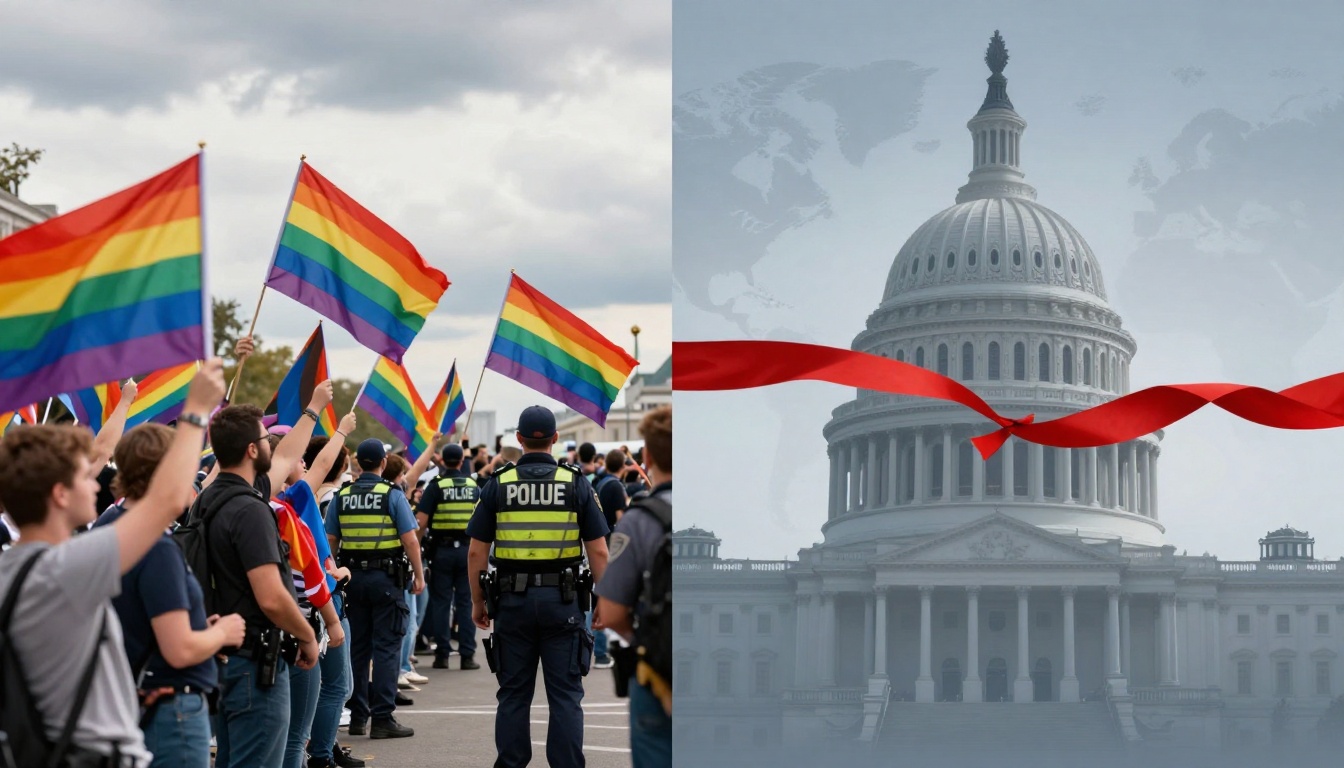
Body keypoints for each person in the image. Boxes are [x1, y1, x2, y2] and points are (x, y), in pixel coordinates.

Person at [0, 360, 224, 768]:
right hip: (94, 754)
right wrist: (195, 412)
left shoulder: (11, 570)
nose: (97, 481)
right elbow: (168, 499)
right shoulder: (64, 568)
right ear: (59, 495)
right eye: (83, 476)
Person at [94, 423, 248, 768]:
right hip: (169, 709)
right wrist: (220, 634)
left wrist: (196, 624)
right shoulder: (155, 545)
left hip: (129, 699)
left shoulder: (109, 523)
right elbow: (179, 650)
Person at [468, 405, 610, 768]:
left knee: (513, 694)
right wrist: (603, 600)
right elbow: (598, 549)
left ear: (518, 439)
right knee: (565, 695)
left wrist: (477, 602)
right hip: (563, 603)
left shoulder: (498, 483)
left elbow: (476, 552)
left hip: (512, 602)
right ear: (556, 439)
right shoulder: (575, 482)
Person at [201, 402, 322, 768]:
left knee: (231, 758)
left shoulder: (207, 498)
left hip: (223, 653)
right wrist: (306, 635)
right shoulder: (251, 510)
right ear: (252, 450)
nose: (271, 443)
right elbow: (270, 597)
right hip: (255, 661)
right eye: (264, 438)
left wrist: (314, 408)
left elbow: (286, 456)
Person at [326, 439, 425, 740]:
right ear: (383, 463)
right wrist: (419, 576)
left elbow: (330, 542)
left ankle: (358, 717)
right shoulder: (392, 495)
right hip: (386, 581)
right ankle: (382, 718)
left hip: (351, 580)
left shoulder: (341, 497)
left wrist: (333, 578)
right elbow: (410, 540)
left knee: (358, 648)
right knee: (386, 648)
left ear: (358, 465)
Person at [595, 405, 672, 768]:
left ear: (647, 456)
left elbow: (610, 613)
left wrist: (648, 640)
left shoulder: (640, 521)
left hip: (658, 675)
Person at [416, 443, 481, 670]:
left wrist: (417, 546)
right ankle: (467, 656)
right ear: (462, 461)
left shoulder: (436, 486)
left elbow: (421, 522)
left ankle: (442, 655)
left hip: (441, 552)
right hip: (467, 551)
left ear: (442, 460)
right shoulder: (474, 487)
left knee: (441, 603)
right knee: (465, 602)